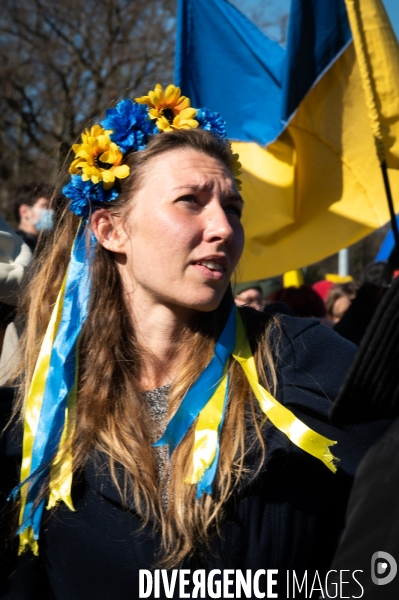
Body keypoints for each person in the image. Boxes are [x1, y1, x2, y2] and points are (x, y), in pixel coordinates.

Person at [1, 84, 384, 599]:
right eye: (190, 202)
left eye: (233, 206)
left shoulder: (295, 355)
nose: (224, 228)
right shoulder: (46, 407)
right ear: (111, 230)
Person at [13, 183, 55, 253]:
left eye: (53, 207)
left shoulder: (45, 246)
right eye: (45, 206)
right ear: (24, 211)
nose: (52, 212)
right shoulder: (15, 245)